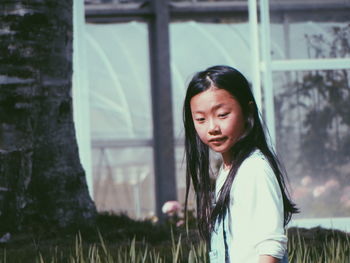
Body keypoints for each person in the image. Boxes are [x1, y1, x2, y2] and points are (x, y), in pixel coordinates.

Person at [183, 65, 298, 263]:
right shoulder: (228, 170)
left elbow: (271, 246)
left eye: (222, 115)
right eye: (201, 119)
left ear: (248, 112)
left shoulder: (254, 169)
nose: (212, 128)